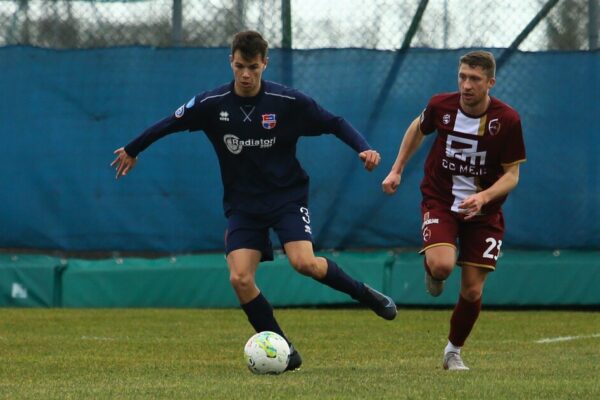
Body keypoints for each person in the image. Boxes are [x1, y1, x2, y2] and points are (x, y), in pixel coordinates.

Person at [112, 30, 397, 372]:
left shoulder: (288, 102)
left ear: (265, 63)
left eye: (252, 67)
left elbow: (334, 122)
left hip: (286, 197)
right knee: (240, 279)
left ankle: (365, 295)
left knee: (304, 263)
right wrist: (132, 148)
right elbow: (168, 124)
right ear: (230, 62)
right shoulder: (211, 104)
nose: (245, 75)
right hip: (243, 206)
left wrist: (362, 147)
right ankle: (284, 350)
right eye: (239, 66)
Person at [381, 51, 526, 371]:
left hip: (484, 213)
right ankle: (433, 269)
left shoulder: (508, 120)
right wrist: (397, 169)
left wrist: (484, 197)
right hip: (441, 201)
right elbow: (417, 129)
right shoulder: (441, 106)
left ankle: (453, 352)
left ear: (490, 83)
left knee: (472, 289)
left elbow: (512, 176)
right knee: (443, 266)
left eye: (474, 79)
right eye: (462, 76)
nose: (466, 85)